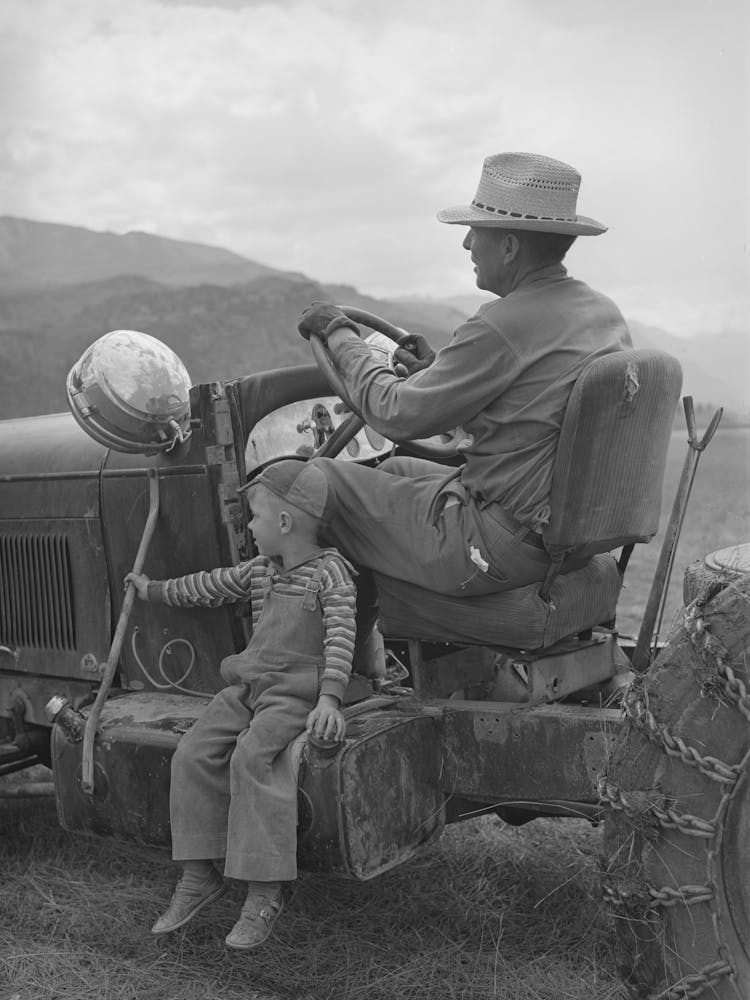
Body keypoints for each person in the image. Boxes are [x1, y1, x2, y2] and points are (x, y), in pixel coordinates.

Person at [298, 151, 632, 598]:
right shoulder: (601, 313)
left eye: (476, 232)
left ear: (509, 247)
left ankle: (305, 639)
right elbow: (534, 408)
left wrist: (339, 334)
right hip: (564, 538)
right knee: (393, 467)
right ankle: (388, 632)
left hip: (498, 543)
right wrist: (434, 373)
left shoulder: (502, 325)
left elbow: (395, 413)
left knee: (299, 483)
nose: (467, 244)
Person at [125, 459, 356, 950]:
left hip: (294, 693)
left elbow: (341, 636)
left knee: (254, 758)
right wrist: (154, 591)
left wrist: (330, 700)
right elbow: (208, 585)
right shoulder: (260, 571)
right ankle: (198, 874)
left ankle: (265, 890)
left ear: (285, 523)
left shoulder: (330, 574)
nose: (249, 527)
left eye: (255, 517)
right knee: (193, 752)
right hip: (249, 686)